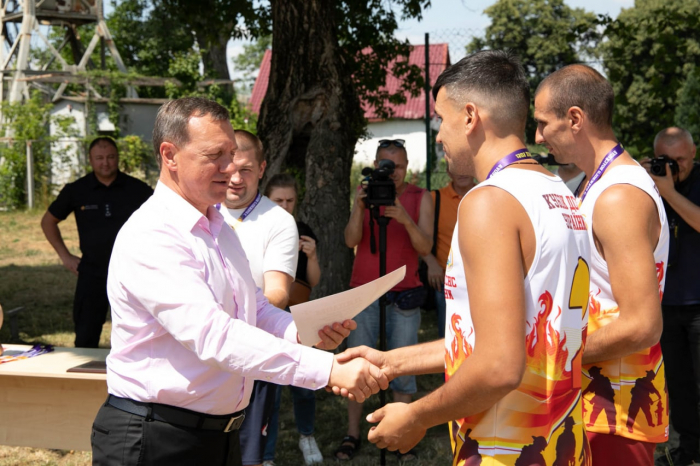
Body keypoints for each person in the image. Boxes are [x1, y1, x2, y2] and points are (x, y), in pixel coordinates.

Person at [91, 97, 389, 466]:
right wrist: (326, 370)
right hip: (157, 438)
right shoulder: (154, 234)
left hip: (216, 434)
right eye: (215, 155)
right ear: (170, 155)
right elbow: (214, 335)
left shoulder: (217, 227)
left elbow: (252, 306)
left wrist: (301, 331)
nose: (230, 168)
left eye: (231, 153)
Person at [336, 49, 591, 465]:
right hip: (561, 437)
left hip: (505, 447)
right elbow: (506, 336)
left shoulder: (489, 201)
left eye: (441, 119)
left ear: (470, 116)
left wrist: (416, 416)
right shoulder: (559, 192)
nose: (438, 134)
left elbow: (498, 366)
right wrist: (393, 360)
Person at [534, 64, 670, 465]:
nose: (539, 136)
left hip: (617, 411)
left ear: (575, 118)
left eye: (543, 123)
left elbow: (643, 324)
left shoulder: (618, 195)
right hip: (602, 400)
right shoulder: (602, 183)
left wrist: (553, 358)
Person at [336, 137, 434, 461]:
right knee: (357, 369)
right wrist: (358, 206)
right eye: (385, 165)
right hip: (363, 292)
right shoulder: (364, 194)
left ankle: (400, 433)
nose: (392, 172)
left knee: (403, 370)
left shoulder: (421, 197)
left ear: (407, 168)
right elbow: (350, 239)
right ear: (376, 165)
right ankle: (353, 434)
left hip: (404, 294)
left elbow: (424, 248)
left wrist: (404, 216)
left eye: (398, 166)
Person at [218, 130, 298, 466]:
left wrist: (233, 321)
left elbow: (278, 292)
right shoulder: (199, 209)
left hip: (253, 350)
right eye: (230, 168)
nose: (235, 179)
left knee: (247, 451)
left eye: (246, 170)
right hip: (198, 352)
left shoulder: (278, 220)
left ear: (262, 168)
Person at [40, 137, 152, 348]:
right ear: (90, 160)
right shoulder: (77, 190)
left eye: (110, 157)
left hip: (132, 273)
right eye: (99, 158)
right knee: (85, 335)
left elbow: (162, 222)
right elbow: (48, 222)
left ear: (118, 158)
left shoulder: (138, 190)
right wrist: (65, 256)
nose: (106, 163)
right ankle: (84, 379)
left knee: (139, 335)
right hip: (92, 272)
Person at [642, 127, 700, 466]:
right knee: (677, 385)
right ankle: (688, 452)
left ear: (693, 153)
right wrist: (648, 179)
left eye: (681, 160)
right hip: (665, 302)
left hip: (698, 302)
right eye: (668, 160)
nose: (675, 167)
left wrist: (668, 191)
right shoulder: (652, 182)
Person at [262, 173, 323, 466]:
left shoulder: (303, 230)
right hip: (266, 313)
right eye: (278, 200)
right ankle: (266, 453)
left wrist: (311, 257)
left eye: (290, 200)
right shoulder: (257, 228)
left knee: (304, 382)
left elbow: (312, 282)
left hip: (299, 313)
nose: (285, 206)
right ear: (266, 199)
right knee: (269, 390)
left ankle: (306, 435)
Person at [421, 161, 475, 339]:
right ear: (448, 171)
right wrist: (431, 263)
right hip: (446, 280)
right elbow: (420, 236)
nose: (461, 172)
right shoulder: (435, 198)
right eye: (456, 167)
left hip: (480, 280)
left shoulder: (486, 195)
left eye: (466, 166)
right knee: (450, 337)